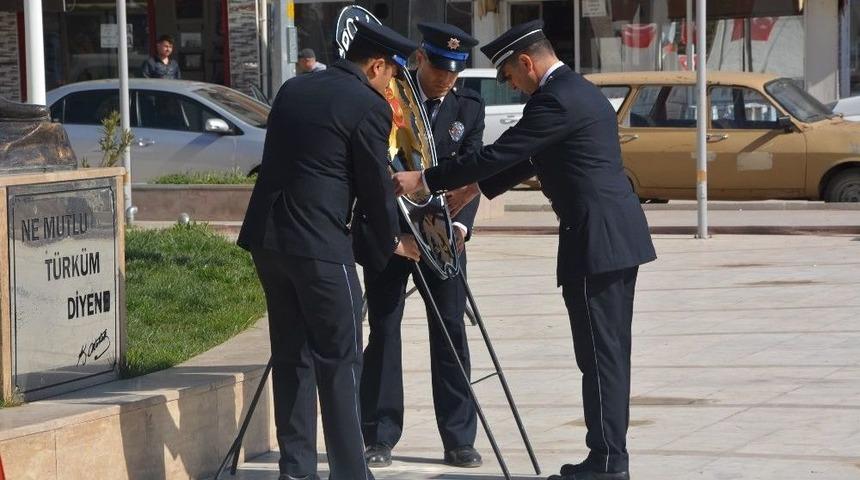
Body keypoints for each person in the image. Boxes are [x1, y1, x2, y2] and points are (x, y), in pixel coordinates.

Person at [393, 20, 657, 480]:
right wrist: (476, 186)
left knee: (600, 356)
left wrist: (427, 179)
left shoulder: (555, 99)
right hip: (610, 236)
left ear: (527, 63)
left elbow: (508, 150)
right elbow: (534, 157)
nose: (512, 86)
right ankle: (607, 457)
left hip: (598, 239)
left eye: (511, 77)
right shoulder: (576, 91)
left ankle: (608, 462)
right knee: (603, 354)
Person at [237, 21, 420, 480]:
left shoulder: (294, 88)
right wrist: (390, 242)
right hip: (319, 244)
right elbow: (374, 188)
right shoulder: (367, 105)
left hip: (269, 239)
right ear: (376, 65)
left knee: (291, 355)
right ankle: (350, 472)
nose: (391, 86)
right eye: (391, 77)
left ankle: (296, 470)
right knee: (340, 361)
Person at [356, 22, 485, 470]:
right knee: (385, 331)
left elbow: (472, 172)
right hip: (392, 236)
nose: (446, 79)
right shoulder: (390, 99)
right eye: (439, 69)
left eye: (454, 72)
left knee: (450, 332)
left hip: (443, 236)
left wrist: (461, 230)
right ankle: (378, 434)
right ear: (420, 59)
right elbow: (371, 171)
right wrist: (396, 236)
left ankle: (459, 438)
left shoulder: (469, 107)